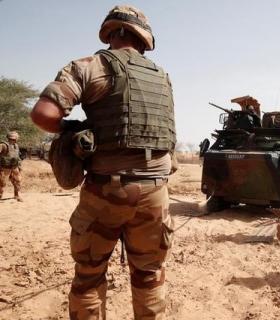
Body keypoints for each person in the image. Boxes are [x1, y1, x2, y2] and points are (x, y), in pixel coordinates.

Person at [30, 5, 176, 319]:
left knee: (89, 275)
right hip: (155, 193)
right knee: (150, 275)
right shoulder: (162, 76)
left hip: (104, 192)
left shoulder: (89, 66)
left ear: (111, 32)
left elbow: (43, 114)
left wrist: (74, 131)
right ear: (143, 37)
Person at [0, 131, 23, 202]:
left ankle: (17, 195)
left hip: (14, 167)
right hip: (5, 167)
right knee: (2, 182)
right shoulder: (3, 145)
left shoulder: (16, 146)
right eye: (11, 138)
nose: (13, 140)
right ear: (8, 138)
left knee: (18, 181)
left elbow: (17, 157)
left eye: (14, 138)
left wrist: (19, 166)